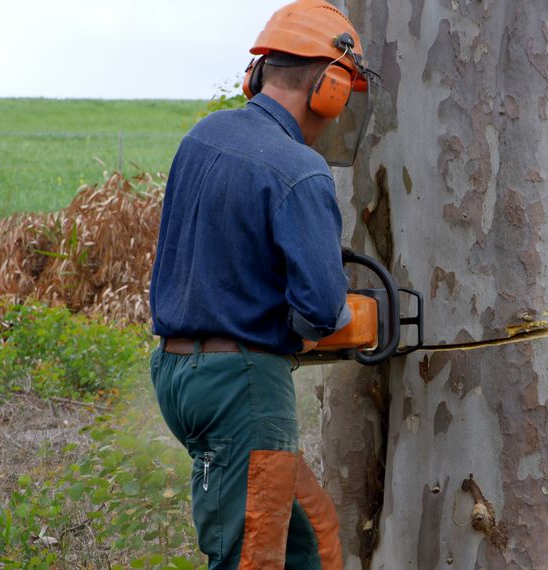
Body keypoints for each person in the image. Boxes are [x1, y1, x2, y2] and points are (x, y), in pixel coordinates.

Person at [148, 1, 374, 567]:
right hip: (240, 387)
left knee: (311, 539)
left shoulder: (205, 136)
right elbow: (322, 308)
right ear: (330, 89)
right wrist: (347, 319)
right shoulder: (298, 168)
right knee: (251, 556)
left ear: (257, 74)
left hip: (178, 376)